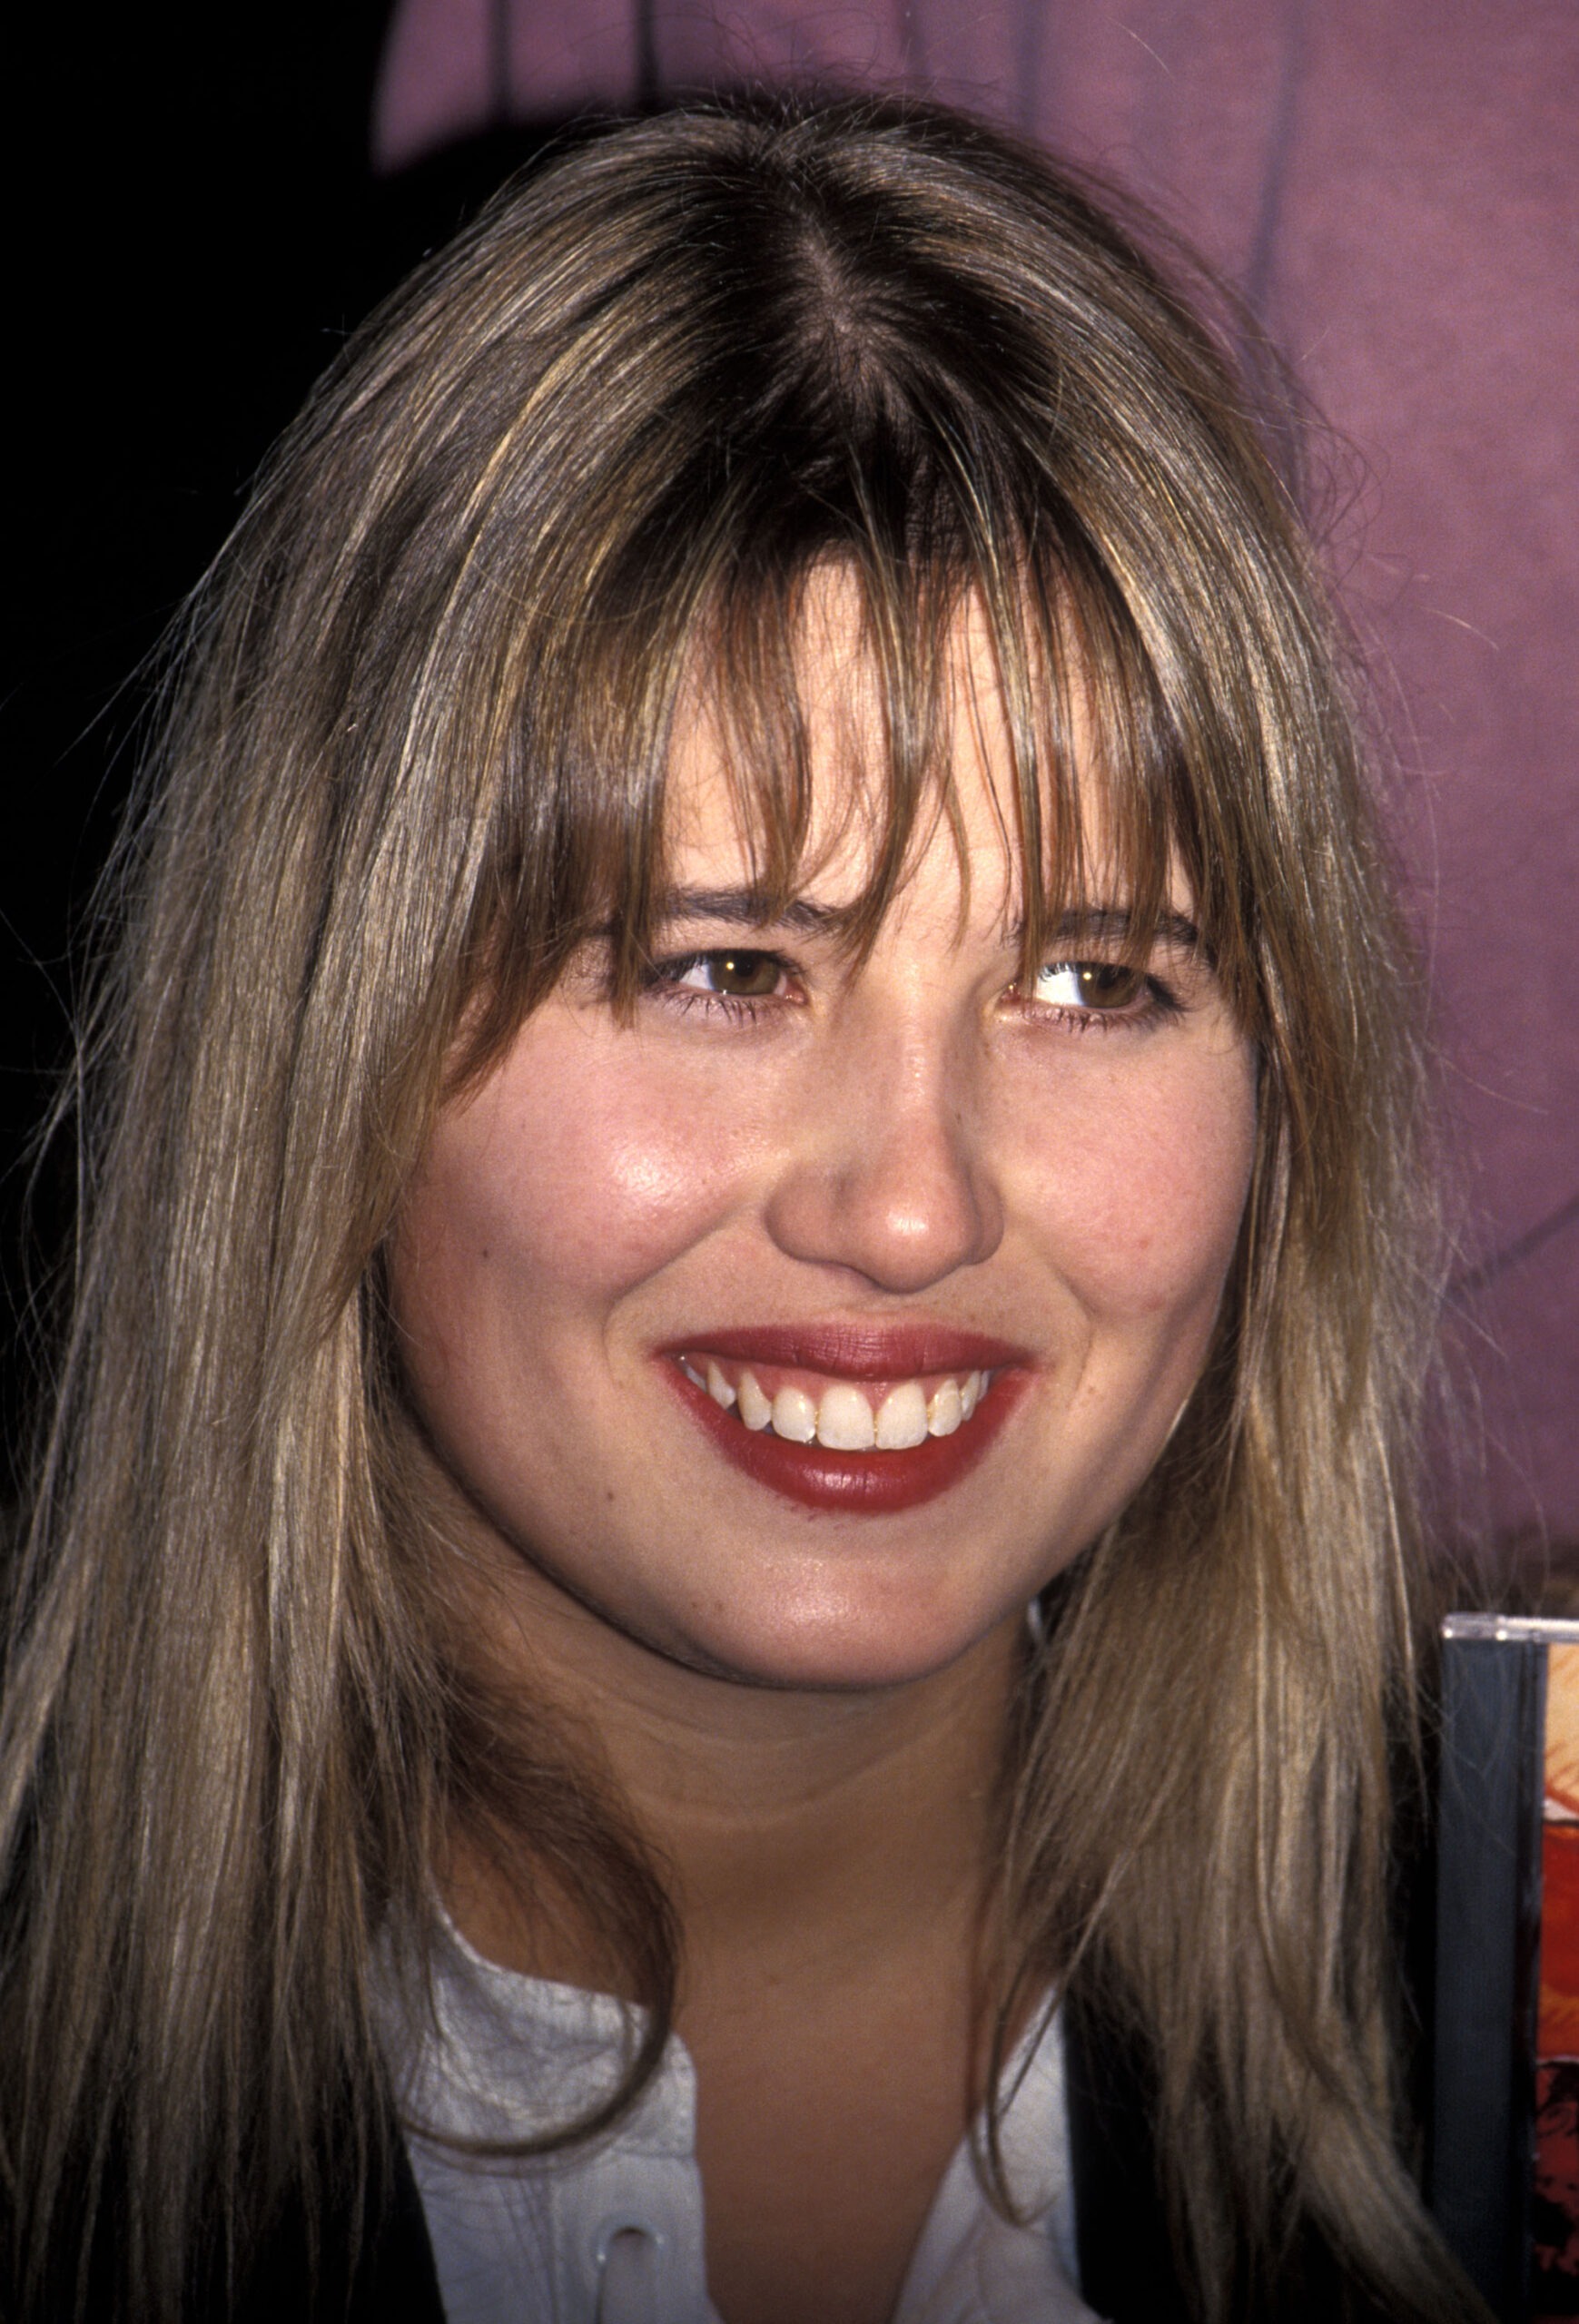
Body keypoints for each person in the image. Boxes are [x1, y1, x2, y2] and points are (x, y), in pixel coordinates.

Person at [0, 92, 1485, 2324]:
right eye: (723, 970)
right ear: (329, 1043)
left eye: (1095, 978)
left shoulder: (1509, 2001)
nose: (910, 1206)